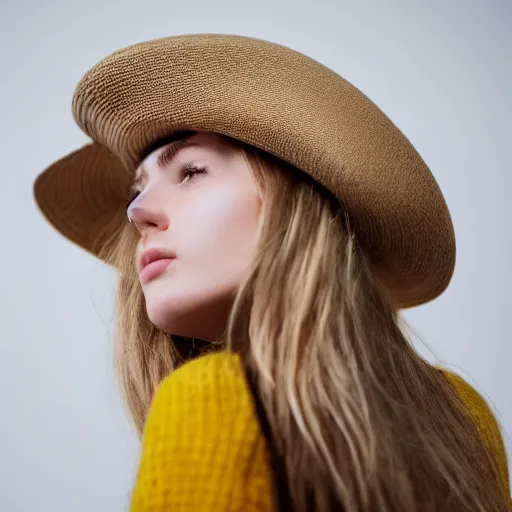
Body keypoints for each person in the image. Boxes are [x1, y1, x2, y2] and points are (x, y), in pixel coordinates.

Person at [33, 34, 511, 511]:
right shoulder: (464, 415)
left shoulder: (209, 401)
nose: (137, 213)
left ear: (293, 206)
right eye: (135, 193)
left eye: (192, 171)